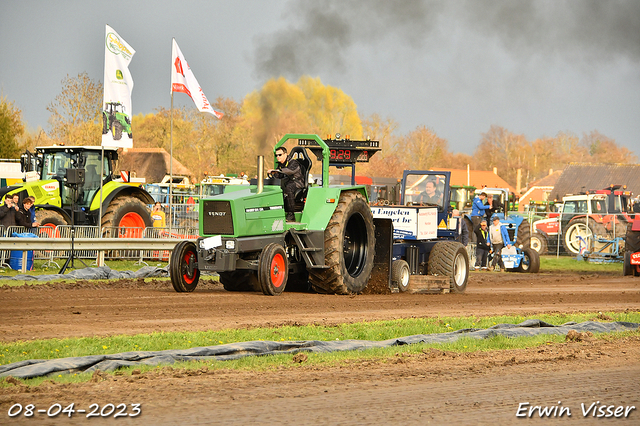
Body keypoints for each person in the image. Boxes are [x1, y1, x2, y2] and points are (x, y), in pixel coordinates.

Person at [267, 146, 304, 222]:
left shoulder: (294, 163)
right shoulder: (280, 165)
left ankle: (291, 214)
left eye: (280, 155)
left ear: (285, 154)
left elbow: (289, 171)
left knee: (288, 188)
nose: (278, 157)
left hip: (297, 183)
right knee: (274, 187)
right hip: (286, 182)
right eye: (276, 155)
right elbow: (277, 176)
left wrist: (276, 171)